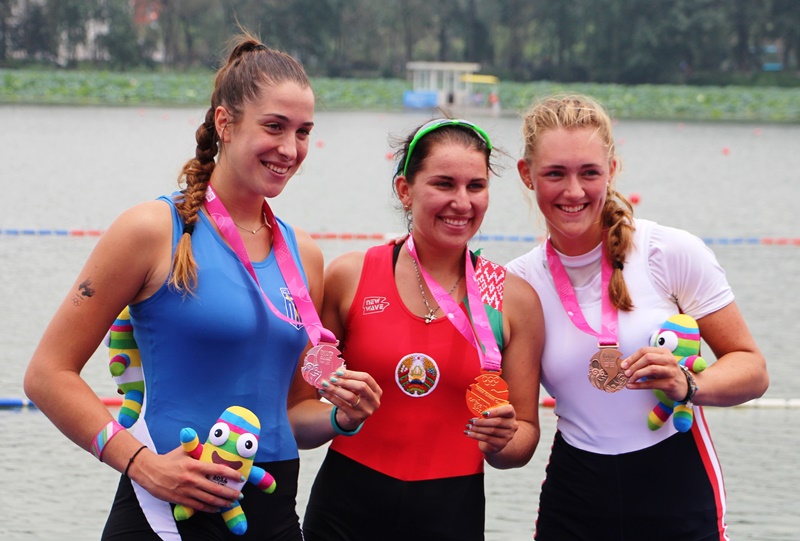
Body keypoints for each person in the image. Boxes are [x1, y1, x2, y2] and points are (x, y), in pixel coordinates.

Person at [23, 33, 379, 541]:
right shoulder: (151, 230)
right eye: (274, 126)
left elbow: (294, 414)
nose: (290, 149)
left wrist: (342, 418)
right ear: (225, 123)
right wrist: (141, 464)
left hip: (273, 513)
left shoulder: (305, 254)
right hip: (163, 511)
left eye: (303, 132)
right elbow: (47, 375)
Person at [507, 94, 769, 540]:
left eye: (590, 172)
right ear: (527, 174)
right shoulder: (518, 284)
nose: (574, 191)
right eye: (555, 173)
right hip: (575, 493)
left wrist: (689, 385)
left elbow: (753, 369)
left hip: (676, 483)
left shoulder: (669, 252)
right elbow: (517, 429)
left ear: (612, 169)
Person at [300, 118, 545, 540]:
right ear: (405, 190)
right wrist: (339, 418)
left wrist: (503, 440)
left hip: (451, 513)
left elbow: (524, 436)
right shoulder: (351, 276)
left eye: (475, 186)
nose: (462, 202)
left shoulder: (509, 297)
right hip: (345, 509)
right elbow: (298, 417)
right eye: (444, 184)